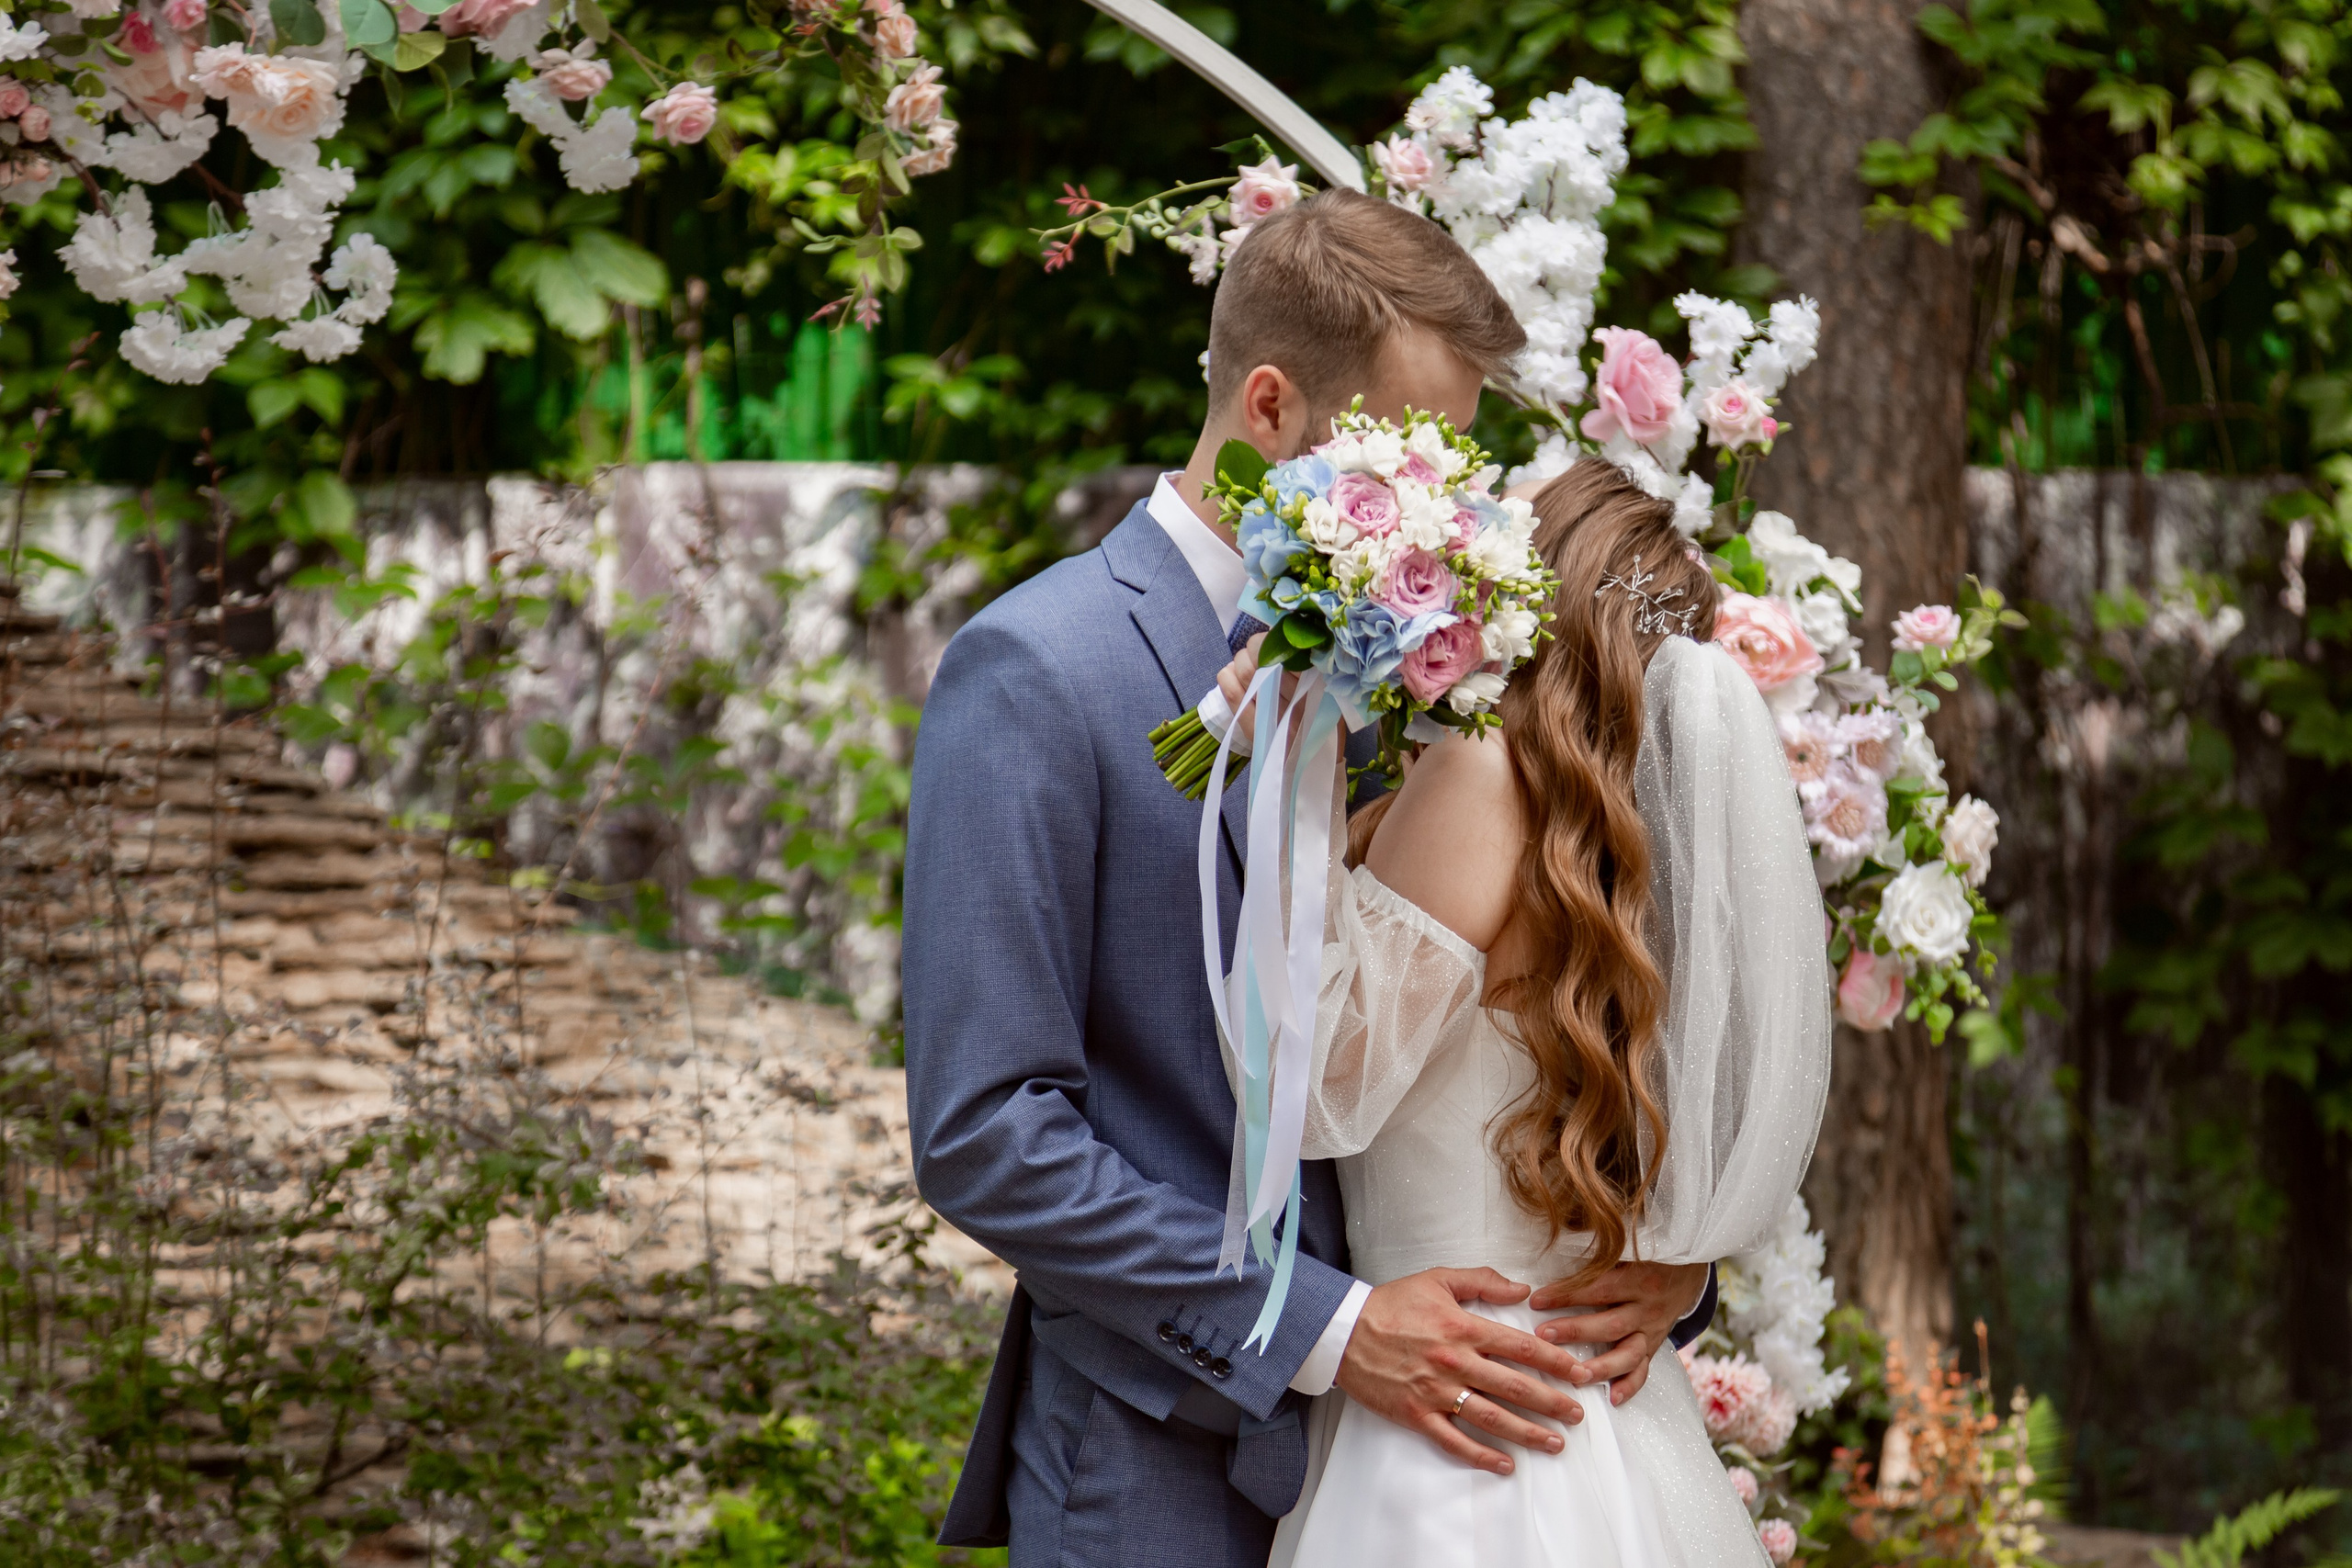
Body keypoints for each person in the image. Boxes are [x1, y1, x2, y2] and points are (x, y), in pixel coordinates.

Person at [901, 189, 1721, 1568]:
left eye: (1459, 456)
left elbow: (1561, 989)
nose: (1451, 501)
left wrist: (1666, 1268)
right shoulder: (1038, 671)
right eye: (1411, 446)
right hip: (1156, 1464)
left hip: (1443, 1469)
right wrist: (1329, 1331)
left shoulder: (1450, 675)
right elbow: (987, 1129)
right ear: (1271, 407)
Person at [1210, 460, 1831, 1567]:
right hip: (1586, 1396)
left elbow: (1317, 1098)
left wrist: (1285, 777)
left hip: (1458, 1399)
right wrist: (1682, 1266)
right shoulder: (1634, 856)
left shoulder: (1480, 771)